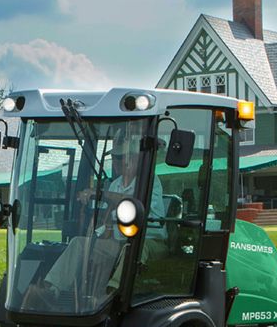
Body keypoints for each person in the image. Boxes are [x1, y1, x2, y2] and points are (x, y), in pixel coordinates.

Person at [24, 124, 169, 311]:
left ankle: (112, 296)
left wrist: (99, 194)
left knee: (133, 248)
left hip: (149, 240)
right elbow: (108, 217)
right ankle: (51, 291)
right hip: (118, 240)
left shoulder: (150, 182)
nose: (116, 162)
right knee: (79, 243)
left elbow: (132, 203)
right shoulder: (115, 184)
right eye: (114, 157)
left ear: (134, 159)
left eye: (121, 157)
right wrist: (97, 225)